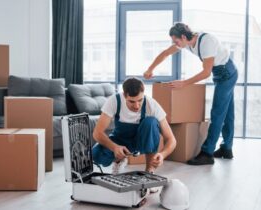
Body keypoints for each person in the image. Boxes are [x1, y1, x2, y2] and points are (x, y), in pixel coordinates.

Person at [144, 22, 238, 165]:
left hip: (227, 73)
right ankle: (227, 148)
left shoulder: (207, 42)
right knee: (227, 113)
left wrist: (184, 83)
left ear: (183, 36)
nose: (175, 44)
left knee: (217, 113)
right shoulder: (186, 42)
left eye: (176, 41)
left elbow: (206, 72)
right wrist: (150, 69)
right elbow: (165, 53)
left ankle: (207, 153)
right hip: (220, 73)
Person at [92, 77, 176, 174]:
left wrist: (162, 154)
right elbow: (97, 133)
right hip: (120, 140)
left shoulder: (151, 104)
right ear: (124, 95)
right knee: (96, 154)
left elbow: (171, 139)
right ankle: (119, 160)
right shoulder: (114, 101)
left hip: (141, 140)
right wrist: (114, 147)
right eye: (132, 101)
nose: (136, 106)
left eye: (140, 100)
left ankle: (149, 170)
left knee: (151, 122)